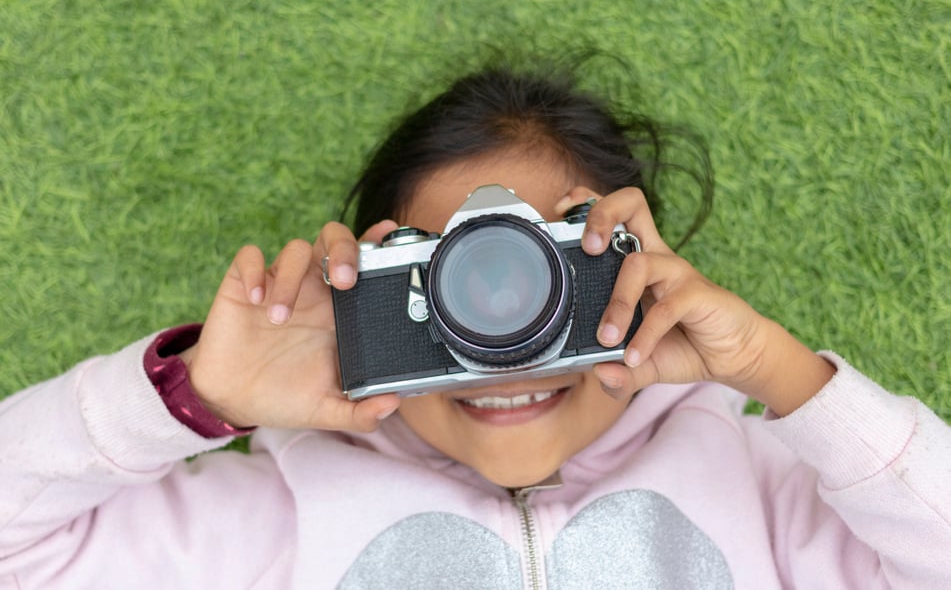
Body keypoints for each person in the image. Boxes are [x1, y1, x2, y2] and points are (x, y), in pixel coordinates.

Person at [1, 66, 949, 589]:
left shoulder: (768, 493)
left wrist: (782, 375)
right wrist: (195, 394)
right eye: (447, 280)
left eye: (547, 276)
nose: (501, 342)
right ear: (373, 290)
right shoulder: (271, 520)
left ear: (636, 279)